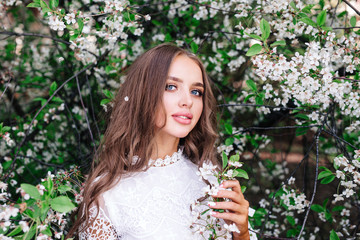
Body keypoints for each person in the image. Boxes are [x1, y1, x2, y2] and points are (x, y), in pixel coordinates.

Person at [67, 43, 255, 239]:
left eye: (196, 92)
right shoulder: (108, 196)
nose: (187, 101)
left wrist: (241, 233)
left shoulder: (211, 180)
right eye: (171, 87)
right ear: (144, 93)